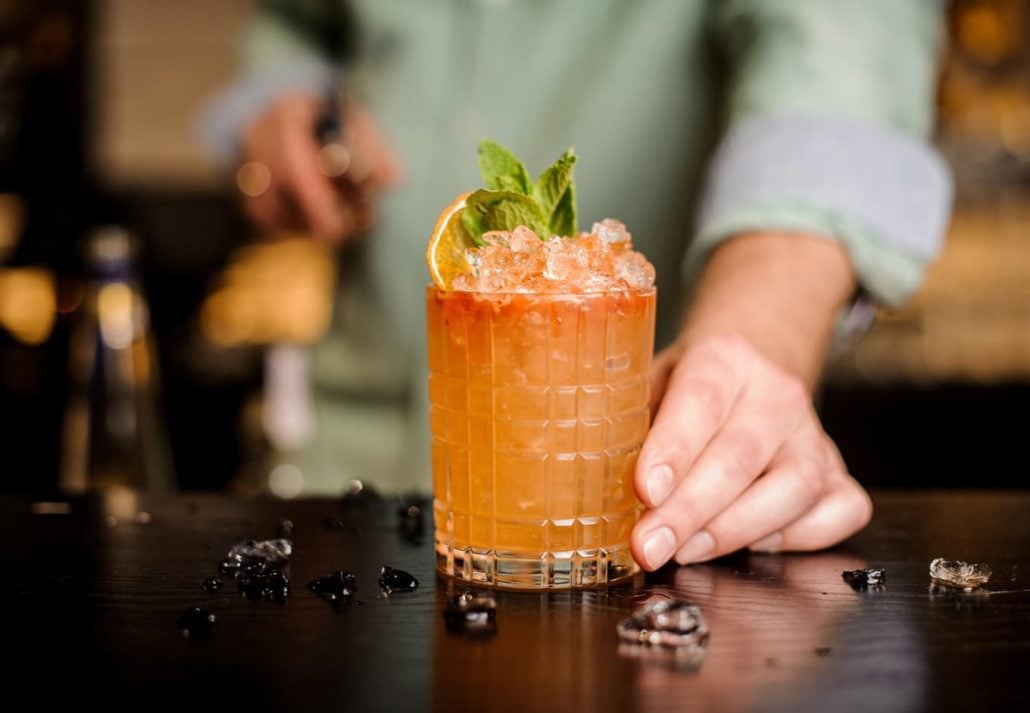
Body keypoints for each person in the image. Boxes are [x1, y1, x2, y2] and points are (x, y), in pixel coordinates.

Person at [202, 0, 952, 572]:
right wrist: (284, 100)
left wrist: (757, 338)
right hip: (335, 481)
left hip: (637, 528)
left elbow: (842, 57)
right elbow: (297, 23)